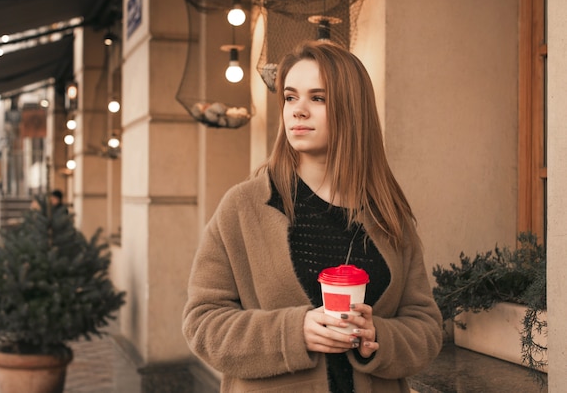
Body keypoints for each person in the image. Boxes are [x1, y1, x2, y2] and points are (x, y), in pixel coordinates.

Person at [182, 40, 442, 392]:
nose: (298, 111)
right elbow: (203, 323)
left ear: (352, 110)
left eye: (317, 98)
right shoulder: (243, 207)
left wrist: (378, 335)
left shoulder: (387, 213)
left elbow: (425, 327)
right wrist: (294, 332)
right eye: (290, 97)